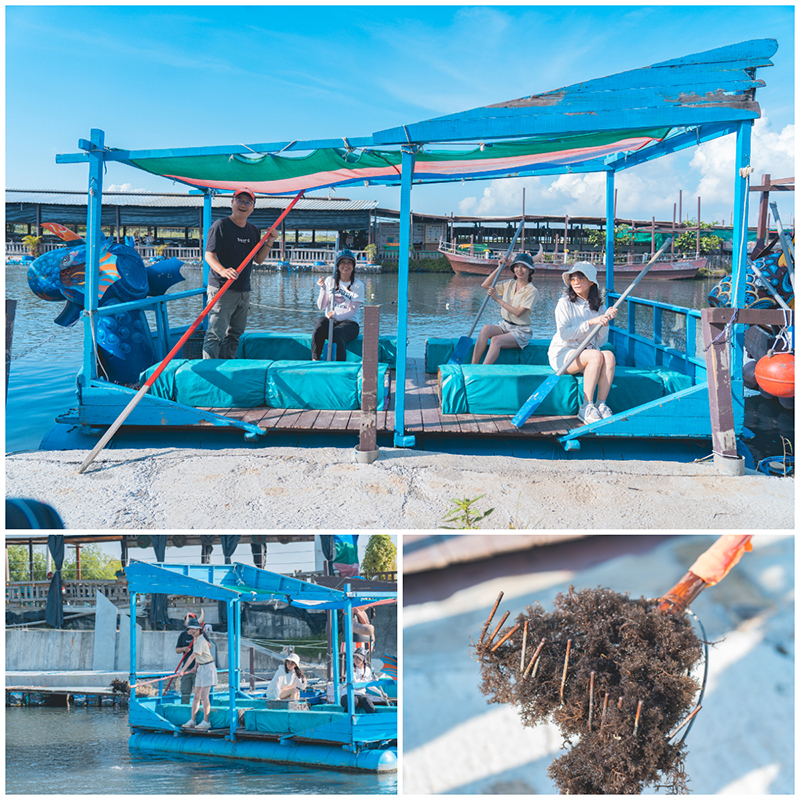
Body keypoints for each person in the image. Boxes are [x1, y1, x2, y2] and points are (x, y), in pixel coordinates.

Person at [202, 187, 278, 359]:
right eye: (239, 201)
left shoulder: (252, 230)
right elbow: (209, 255)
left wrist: (270, 241)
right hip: (222, 289)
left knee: (235, 334)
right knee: (215, 334)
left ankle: (227, 367)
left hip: (243, 290)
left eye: (248, 202)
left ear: (253, 207)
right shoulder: (220, 226)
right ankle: (210, 373)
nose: (243, 205)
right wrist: (223, 270)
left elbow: (258, 259)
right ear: (232, 203)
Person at [548, 261, 618, 424]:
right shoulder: (564, 303)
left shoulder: (599, 306)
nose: (576, 282)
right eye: (573, 279)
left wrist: (604, 324)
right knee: (595, 356)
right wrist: (592, 322)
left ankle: (601, 405)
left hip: (588, 352)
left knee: (608, 355)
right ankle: (586, 406)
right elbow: (565, 335)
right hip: (565, 353)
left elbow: (601, 341)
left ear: (591, 282)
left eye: (581, 278)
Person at [471, 252, 539, 365]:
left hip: (521, 330)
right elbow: (485, 285)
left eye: (524, 267)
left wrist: (497, 299)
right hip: (505, 325)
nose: (519, 270)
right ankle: (473, 365)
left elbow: (518, 313)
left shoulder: (532, 291)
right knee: (485, 329)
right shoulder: (509, 283)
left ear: (530, 270)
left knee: (495, 340)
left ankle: (482, 371)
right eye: (517, 266)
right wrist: (499, 268)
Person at [311, 249, 365, 361]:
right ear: (338, 265)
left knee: (336, 333)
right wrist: (323, 289)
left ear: (353, 266)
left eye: (349, 262)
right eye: (343, 263)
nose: (346, 266)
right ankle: (315, 359)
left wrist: (337, 316)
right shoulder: (330, 280)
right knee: (320, 322)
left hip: (350, 324)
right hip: (331, 320)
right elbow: (321, 306)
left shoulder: (358, 285)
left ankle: (341, 365)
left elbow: (352, 311)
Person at [180, 619, 217, 730]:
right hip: (201, 667)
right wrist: (195, 667)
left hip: (208, 668)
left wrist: (182, 670)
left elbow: (192, 656)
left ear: (198, 630)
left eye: (193, 629)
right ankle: (193, 719)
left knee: (204, 696)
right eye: (190, 629)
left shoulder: (201, 640)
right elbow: (198, 656)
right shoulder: (196, 639)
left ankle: (206, 721)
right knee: (196, 695)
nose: (191, 631)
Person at [175, 612, 200, 704]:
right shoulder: (183, 635)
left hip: (198, 669)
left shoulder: (199, 635)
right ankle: (184, 712)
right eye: (187, 619)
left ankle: (199, 713)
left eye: (191, 619)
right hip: (187, 668)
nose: (188, 621)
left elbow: (207, 647)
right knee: (185, 692)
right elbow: (177, 650)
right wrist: (183, 649)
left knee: (199, 694)